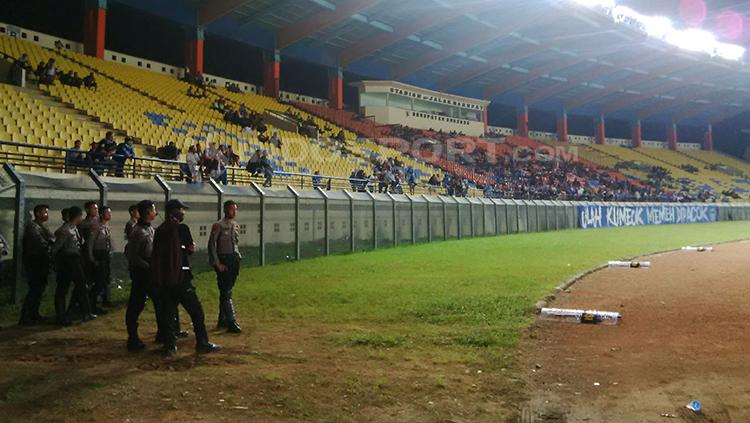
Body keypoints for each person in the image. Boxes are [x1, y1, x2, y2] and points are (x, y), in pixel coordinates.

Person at [153, 199, 221, 355]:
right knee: (196, 311)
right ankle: (202, 343)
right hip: (182, 277)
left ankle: (170, 346)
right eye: (182, 210)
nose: (184, 212)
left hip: (166, 279)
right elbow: (190, 249)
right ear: (174, 211)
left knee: (169, 313)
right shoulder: (182, 228)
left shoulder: (160, 230)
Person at [125, 200, 159, 351]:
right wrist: (148, 266)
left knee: (160, 302)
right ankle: (132, 338)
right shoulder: (138, 231)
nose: (155, 213)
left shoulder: (150, 229)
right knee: (136, 304)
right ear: (147, 212)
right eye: (153, 210)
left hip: (150, 271)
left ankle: (163, 333)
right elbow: (132, 255)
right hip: (141, 273)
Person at [52, 206, 95, 325]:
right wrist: (55, 263)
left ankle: (84, 312)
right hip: (67, 261)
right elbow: (55, 248)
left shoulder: (73, 228)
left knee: (81, 286)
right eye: (81, 216)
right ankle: (61, 316)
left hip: (75, 260)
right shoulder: (65, 230)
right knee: (63, 288)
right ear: (77, 216)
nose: (82, 218)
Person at [208, 201, 242, 333]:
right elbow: (212, 245)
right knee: (226, 291)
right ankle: (231, 321)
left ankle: (222, 319)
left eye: (235, 209)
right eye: (231, 209)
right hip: (224, 260)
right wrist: (217, 263)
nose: (234, 212)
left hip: (233, 260)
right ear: (225, 210)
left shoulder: (235, 225)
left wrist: (238, 257)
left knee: (227, 291)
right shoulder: (218, 225)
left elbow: (236, 243)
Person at [19, 204, 55, 325]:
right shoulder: (33, 227)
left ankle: (34, 314)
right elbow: (42, 242)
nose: (47, 214)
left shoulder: (40, 227)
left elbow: (51, 239)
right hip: (35, 262)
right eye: (44, 212)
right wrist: (50, 243)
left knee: (38, 289)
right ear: (38, 213)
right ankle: (26, 316)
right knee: (35, 289)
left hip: (41, 261)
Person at [87, 205, 112, 315]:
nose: (110, 215)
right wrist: (91, 256)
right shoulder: (96, 226)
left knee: (104, 280)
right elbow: (91, 242)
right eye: (107, 213)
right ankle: (90, 305)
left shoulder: (105, 226)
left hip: (105, 255)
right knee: (99, 281)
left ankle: (94, 304)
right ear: (101, 214)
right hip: (98, 254)